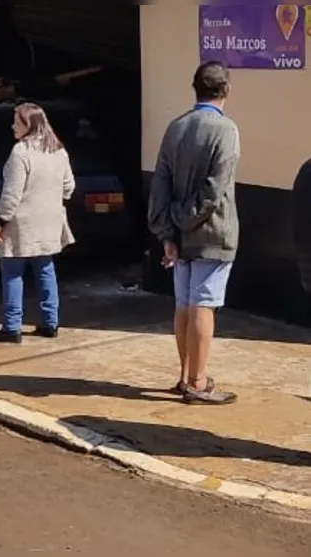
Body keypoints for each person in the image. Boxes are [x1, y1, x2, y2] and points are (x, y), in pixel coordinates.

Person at [147, 60, 240, 405]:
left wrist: (167, 230)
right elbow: (215, 191)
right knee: (204, 304)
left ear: (195, 89)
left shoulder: (176, 127)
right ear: (226, 90)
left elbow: (161, 181)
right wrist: (185, 221)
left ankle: (186, 376)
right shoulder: (226, 130)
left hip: (178, 233)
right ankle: (198, 382)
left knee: (185, 304)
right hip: (212, 233)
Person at [0, 103, 76, 343]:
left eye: (16, 121)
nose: (12, 125)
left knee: (12, 272)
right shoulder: (58, 151)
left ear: (29, 124)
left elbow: (11, 194)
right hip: (50, 221)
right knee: (45, 270)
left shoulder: (20, 152)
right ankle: (50, 322)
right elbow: (69, 187)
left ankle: (12, 327)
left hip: (20, 223)